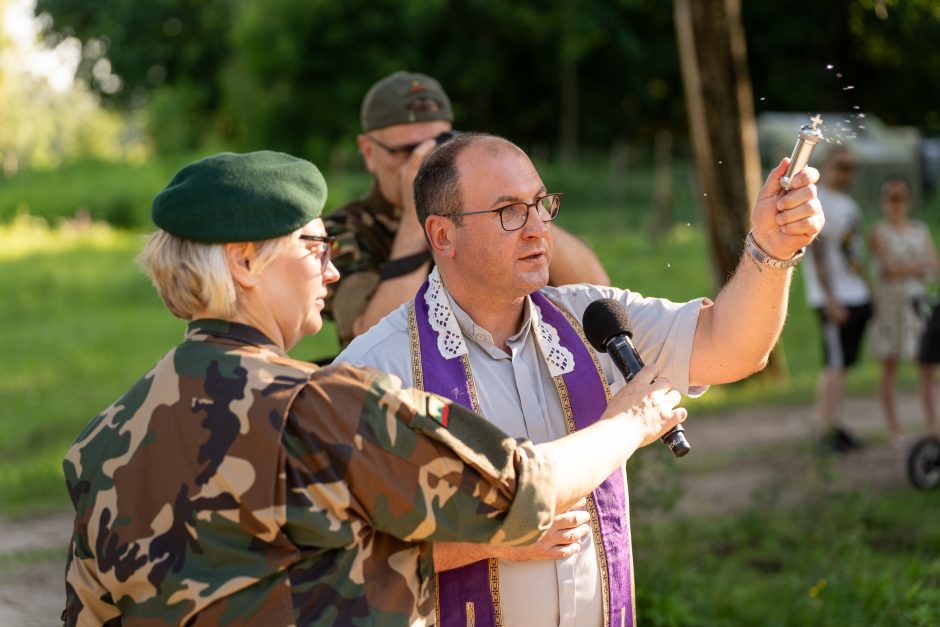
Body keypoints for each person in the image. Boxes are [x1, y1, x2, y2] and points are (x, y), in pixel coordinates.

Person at [61, 150, 688, 626]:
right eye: (313, 246)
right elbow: (522, 489)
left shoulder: (107, 435)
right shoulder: (318, 406)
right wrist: (631, 422)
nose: (332, 270)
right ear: (245, 262)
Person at [335, 133, 823, 627]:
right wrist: (489, 534)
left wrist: (771, 247)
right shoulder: (376, 370)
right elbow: (339, 559)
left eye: (541, 204)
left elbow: (733, 347)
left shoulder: (594, 319)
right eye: (509, 212)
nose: (537, 228)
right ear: (442, 235)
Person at [324, 71, 609, 347]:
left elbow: (597, 291)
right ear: (369, 152)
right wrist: (418, 213)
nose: (426, 160)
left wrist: (518, 206)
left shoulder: (485, 208)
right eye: (406, 151)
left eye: (439, 145)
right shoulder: (344, 230)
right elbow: (370, 340)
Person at [801, 146, 872, 453]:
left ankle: (836, 424)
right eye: (840, 165)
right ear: (826, 166)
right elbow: (816, 255)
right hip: (834, 297)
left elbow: (853, 254)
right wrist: (829, 299)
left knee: (843, 365)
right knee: (834, 363)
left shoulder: (849, 204)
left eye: (850, 167)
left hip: (855, 292)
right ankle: (824, 430)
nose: (846, 172)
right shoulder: (818, 202)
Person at [868, 175, 940, 446]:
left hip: (917, 306)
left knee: (927, 366)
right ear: (883, 200)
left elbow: (933, 265)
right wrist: (918, 265)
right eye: (890, 196)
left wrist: (908, 268)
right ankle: (894, 427)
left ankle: (933, 425)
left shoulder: (919, 229)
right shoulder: (878, 232)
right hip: (890, 309)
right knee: (890, 364)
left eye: (900, 196)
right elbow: (891, 270)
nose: (895, 202)